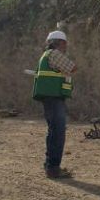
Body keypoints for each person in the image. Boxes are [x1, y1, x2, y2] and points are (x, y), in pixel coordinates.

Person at [32, 30, 77, 178]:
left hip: (49, 97)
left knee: (53, 131)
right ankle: (53, 168)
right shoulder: (55, 54)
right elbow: (72, 68)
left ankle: (49, 165)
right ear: (60, 43)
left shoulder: (46, 55)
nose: (65, 47)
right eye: (64, 44)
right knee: (58, 132)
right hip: (54, 97)